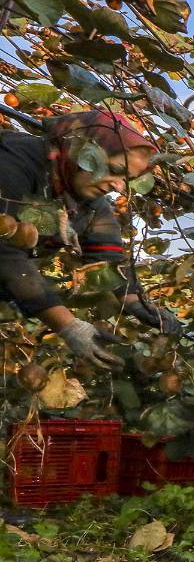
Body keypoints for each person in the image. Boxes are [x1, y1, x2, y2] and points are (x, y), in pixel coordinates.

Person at [0, 110, 179, 370]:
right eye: (116, 170)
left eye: (126, 180)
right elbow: (4, 252)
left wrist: (135, 303)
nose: (118, 187)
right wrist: (68, 325)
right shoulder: (13, 163)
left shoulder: (82, 198)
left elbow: (108, 256)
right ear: (82, 151)